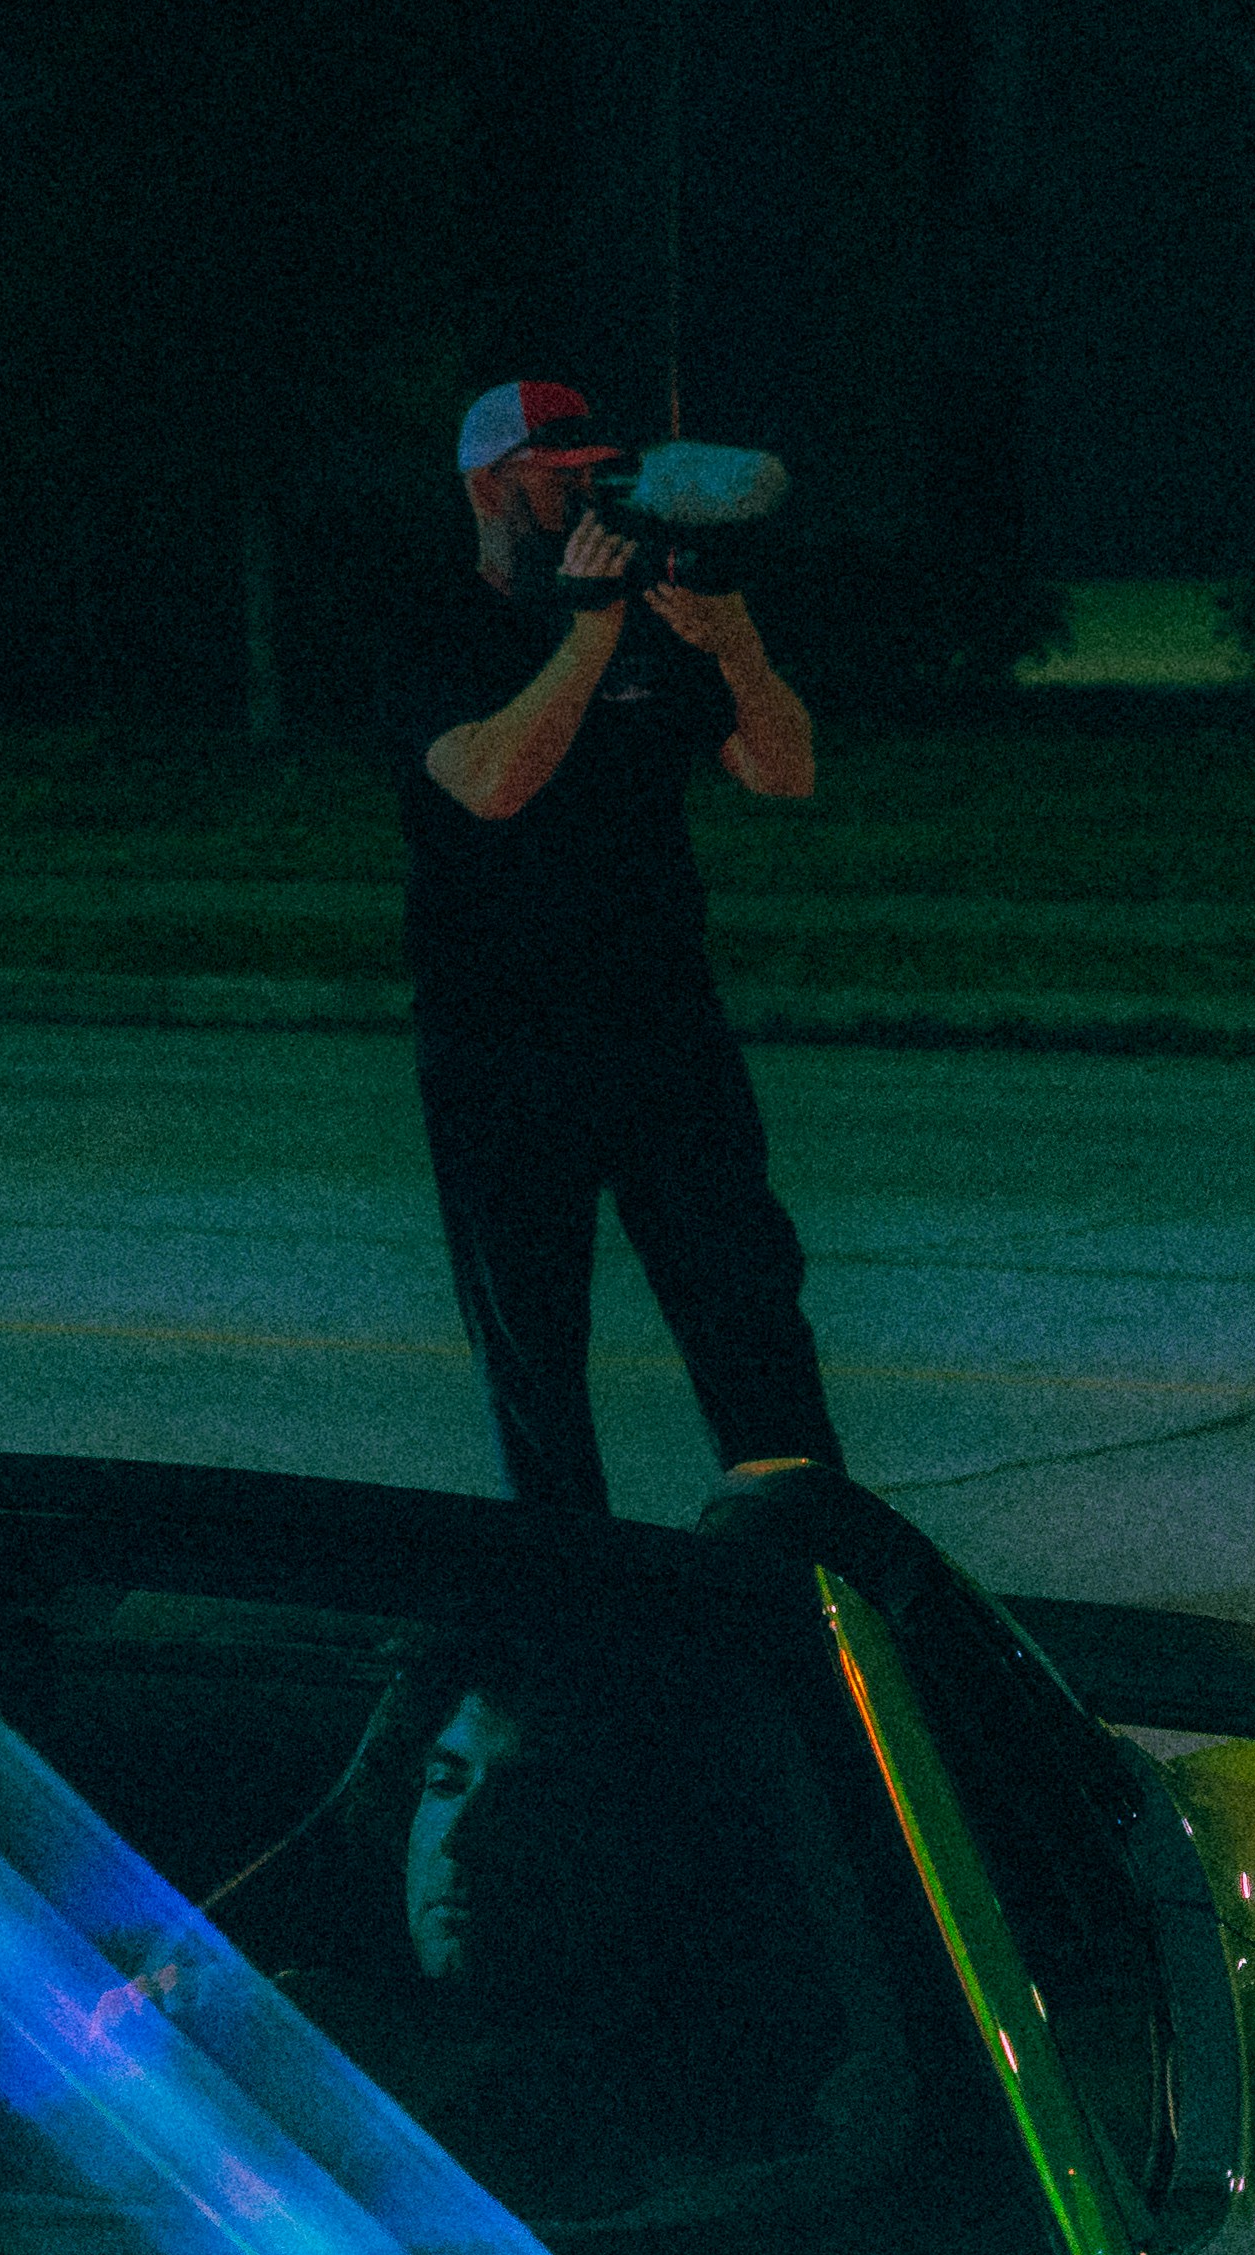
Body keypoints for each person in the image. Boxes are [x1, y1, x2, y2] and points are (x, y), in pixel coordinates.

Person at [379, 376, 841, 1523]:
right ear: (491, 485)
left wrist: (734, 642)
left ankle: (816, 1563)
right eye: (562, 478)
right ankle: (569, 1594)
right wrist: (588, 636)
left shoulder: (652, 613)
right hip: (502, 1044)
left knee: (747, 1306)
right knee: (533, 1339)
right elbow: (491, 783)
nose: (593, 496)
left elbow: (785, 772)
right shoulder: (428, 624)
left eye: (602, 474)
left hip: (663, 1027)